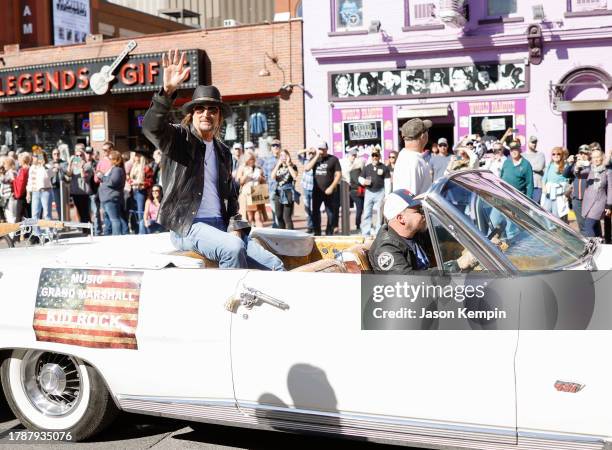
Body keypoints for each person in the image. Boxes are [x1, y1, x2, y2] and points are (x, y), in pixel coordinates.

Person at [142, 49, 282, 271]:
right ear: (192, 114)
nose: (206, 113)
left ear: (219, 116)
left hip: (221, 227)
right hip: (188, 225)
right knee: (232, 249)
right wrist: (166, 92)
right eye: (200, 108)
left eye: (212, 109)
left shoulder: (223, 152)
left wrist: (236, 227)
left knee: (275, 265)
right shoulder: (179, 139)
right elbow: (151, 128)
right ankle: (230, 303)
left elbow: (232, 198)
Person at [304, 140, 342, 236]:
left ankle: (329, 232)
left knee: (331, 213)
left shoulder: (333, 159)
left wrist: (332, 187)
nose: (321, 150)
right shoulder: (315, 159)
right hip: (317, 191)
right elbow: (307, 168)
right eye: (319, 148)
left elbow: (338, 174)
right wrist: (316, 156)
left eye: (323, 149)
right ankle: (317, 232)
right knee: (315, 212)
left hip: (329, 191)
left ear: (326, 149)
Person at [575, 149, 612, 237]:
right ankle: (599, 245)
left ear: (602, 158)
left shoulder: (608, 171)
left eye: (598, 157)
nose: (595, 159)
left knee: (589, 225)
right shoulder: (590, 170)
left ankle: (591, 246)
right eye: (594, 157)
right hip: (588, 202)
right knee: (594, 227)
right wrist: (577, 167)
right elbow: (579, 175)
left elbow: (610, 189)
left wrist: (609, 205)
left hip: (600, 202)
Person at [393, 118, 433, 195]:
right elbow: (408, 202)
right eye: (426, 130)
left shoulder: (408, 156)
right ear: (422, 136)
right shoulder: (412, 161)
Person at [359, 150, 390, 236]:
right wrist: (364, 181)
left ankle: (378, 232)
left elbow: (387, 182)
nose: (375, 158)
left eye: (376, 156)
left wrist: (387, 195)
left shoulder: (384, 167)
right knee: (367, 212)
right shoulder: (367, 167)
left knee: (379, 213)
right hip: (369, 192)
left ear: (379, 157)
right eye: (373, 156)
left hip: (380, 192)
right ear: (371, 157)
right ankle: (366, 232)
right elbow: (360, 178)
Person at [99, 150, 128, 236]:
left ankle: (116, 237)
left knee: (114, 219)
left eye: (111, 159)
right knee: (109, 220)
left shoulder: (117, 170)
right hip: (108, 198)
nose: (109, 160)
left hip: (111, 198)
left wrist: (102, 177)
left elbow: (113, 182)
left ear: (116, 160)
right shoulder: (115, 169)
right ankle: (110, 237)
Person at [564, 145, 591, 232]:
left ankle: (595, 242)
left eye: (585, 153)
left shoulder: (592, 164)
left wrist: (583, 164)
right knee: (581, 223)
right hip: (576, 199)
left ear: (589, 154)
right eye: (581, 153)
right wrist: (570, 164)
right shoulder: (576, 164)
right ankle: (586, 243)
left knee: (590, 223)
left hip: (589, 199)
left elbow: (590, 172)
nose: (583, 155)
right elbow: (565, 174)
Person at [238, 150, 268, 228]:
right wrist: (246, 175)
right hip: (247, 194)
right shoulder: (242, 168)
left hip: (257, 192)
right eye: (250, 159)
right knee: (249, 217)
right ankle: (250, 236)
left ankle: (260, 236)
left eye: (252, 159)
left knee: (258, 217)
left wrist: (260, 177)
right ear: (246, 160)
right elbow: (239, 182)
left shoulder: (258, 168)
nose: (251, 161)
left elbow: (264, 180)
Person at [66, 144, 93, 228]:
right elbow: (68, 174)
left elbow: (85, 178)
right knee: (80, 212)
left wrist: (81, 168)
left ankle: (88, 230)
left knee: (85, 212)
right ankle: (84, 229)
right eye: (76, 155)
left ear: (83, 155)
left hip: (84, 192)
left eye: (80, 155)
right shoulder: (74, 165)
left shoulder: (87, 165)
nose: (78, 157)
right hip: (75, 191)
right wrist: (70, 163)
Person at [541, 146, 570, 221]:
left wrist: (566, 195)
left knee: (556, 215)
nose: (556, 155)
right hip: (548, 193)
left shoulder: (565, 166)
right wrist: (544, 187)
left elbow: (567, 181)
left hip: (559, 194)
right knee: (546, 212)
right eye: (553, 154)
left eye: (558, 154)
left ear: (562, 155)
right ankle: (549, 229)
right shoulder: (550, 165)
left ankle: (556, 230)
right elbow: (544, 178)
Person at [271, 149, 298, 229]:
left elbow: (294, 176)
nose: (283, 157)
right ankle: (282, 234)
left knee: (287, 217)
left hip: (288, 192)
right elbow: (272, 176)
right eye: (281, 155)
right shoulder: (277, 166)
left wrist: (288, 164)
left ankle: (291, 236)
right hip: (278, 192)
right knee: (279, 216)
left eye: (285, 155)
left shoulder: (293, 166)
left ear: (288, 156)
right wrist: (278, 164)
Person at [128, 151, 154, 234]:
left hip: (141, 191)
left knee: (141, 212)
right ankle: (137, 230)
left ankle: (142, 231)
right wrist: (130, 181)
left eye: (136, 155)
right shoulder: (134, 166)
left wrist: (140, 183)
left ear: (141, 156)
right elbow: (130, 179)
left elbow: (150, 182)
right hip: (133, 190)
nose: (135, 157)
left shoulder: (146, 168)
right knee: (134, 211)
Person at [26, 150, 53, 223]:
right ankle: (36, 233)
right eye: (34, 155)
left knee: (47, 214)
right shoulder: (32, 167)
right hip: (35, 192)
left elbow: (49, 176)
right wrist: (28, 193)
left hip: (46, 191)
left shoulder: (48, 166)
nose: (34, 157)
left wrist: (43, 165)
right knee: (35, 214)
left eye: (36, 156)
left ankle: (49, 232)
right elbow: (29, 181)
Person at [262, 138, 281, 227]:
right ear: (271, 148)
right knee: (274, 209)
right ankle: (276, 226)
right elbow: (265, 174)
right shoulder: (267, 160)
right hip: (272, 188)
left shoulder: (283, 157)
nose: (275, 147)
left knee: (282, 210)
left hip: (283, 188)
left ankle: (281, 226)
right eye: (273, 145)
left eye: (277, 145)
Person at [297, 147, 316, 233]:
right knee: (307, 208)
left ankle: (315, 225)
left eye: (313, 154)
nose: (311, 155)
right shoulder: (305, 161)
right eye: (310, 154)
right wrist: (308, 150)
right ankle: (310, 226)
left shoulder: (317, 162)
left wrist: (315, 153)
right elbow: (297, 153)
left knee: (314, 208)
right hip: (305, 188)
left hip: (314, 188)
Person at [522, 135, 545, 203]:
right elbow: (520, 168)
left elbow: (539, 167)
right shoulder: (522, 155)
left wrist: (526, 166)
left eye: (535, 142)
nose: (534, 144)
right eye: (532, 142)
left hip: (537, 185)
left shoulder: (540, 154)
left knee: (535, 205)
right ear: (528, 142)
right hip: (525, 185)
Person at [346, 148, 365, 231]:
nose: (354, 157)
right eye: (353, 155)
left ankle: (357, 224)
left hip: (356, 191)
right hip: (355, 191)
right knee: (359, 209)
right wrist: (365, 182)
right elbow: (358, 181)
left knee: (359, 209)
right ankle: (357, 224)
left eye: (355, 156)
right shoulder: (354, 170)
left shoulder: (357, 169)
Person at [49, 147, 67, 219]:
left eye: (58, 154)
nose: (56, 155)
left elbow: (67, 173)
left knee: (62, 205)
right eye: (54, 154)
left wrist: (60, 168)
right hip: (51, 187)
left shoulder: (64, 163)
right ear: (52, 155)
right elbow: (46, 175)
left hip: (61, 186)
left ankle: (62, 220)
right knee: (52, 206)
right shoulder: (49, 164)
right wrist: (52, 170)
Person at [12, 152, 30, 222]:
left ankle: (17, 232)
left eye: (19, 159)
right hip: (25, 194)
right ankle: (28, 232)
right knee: (25, 215)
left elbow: (21, 183)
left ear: (23, 160)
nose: (18, 161)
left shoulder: (23, 170)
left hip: (22, 195)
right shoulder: (27, 168)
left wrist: (14, 180)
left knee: (18, 216)